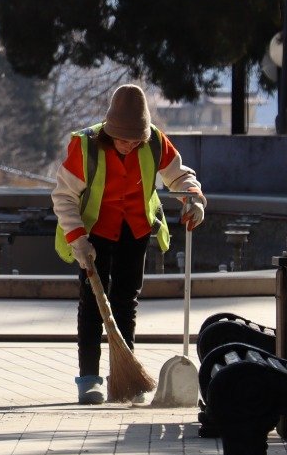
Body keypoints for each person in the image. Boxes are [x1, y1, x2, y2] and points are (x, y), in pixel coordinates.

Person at [51, 84, 207, 405]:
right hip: (94, 230)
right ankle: (89, 378)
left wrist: (193, 198)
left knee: (126, 301)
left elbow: (179, 176)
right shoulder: (86, 147)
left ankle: (125, 378)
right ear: (109, 131)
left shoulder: (154, 143)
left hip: (135, 229)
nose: (129, 145)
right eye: (123, 140)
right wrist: (77, 238)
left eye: (135, 140)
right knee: (93, 303)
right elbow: (64, 195)